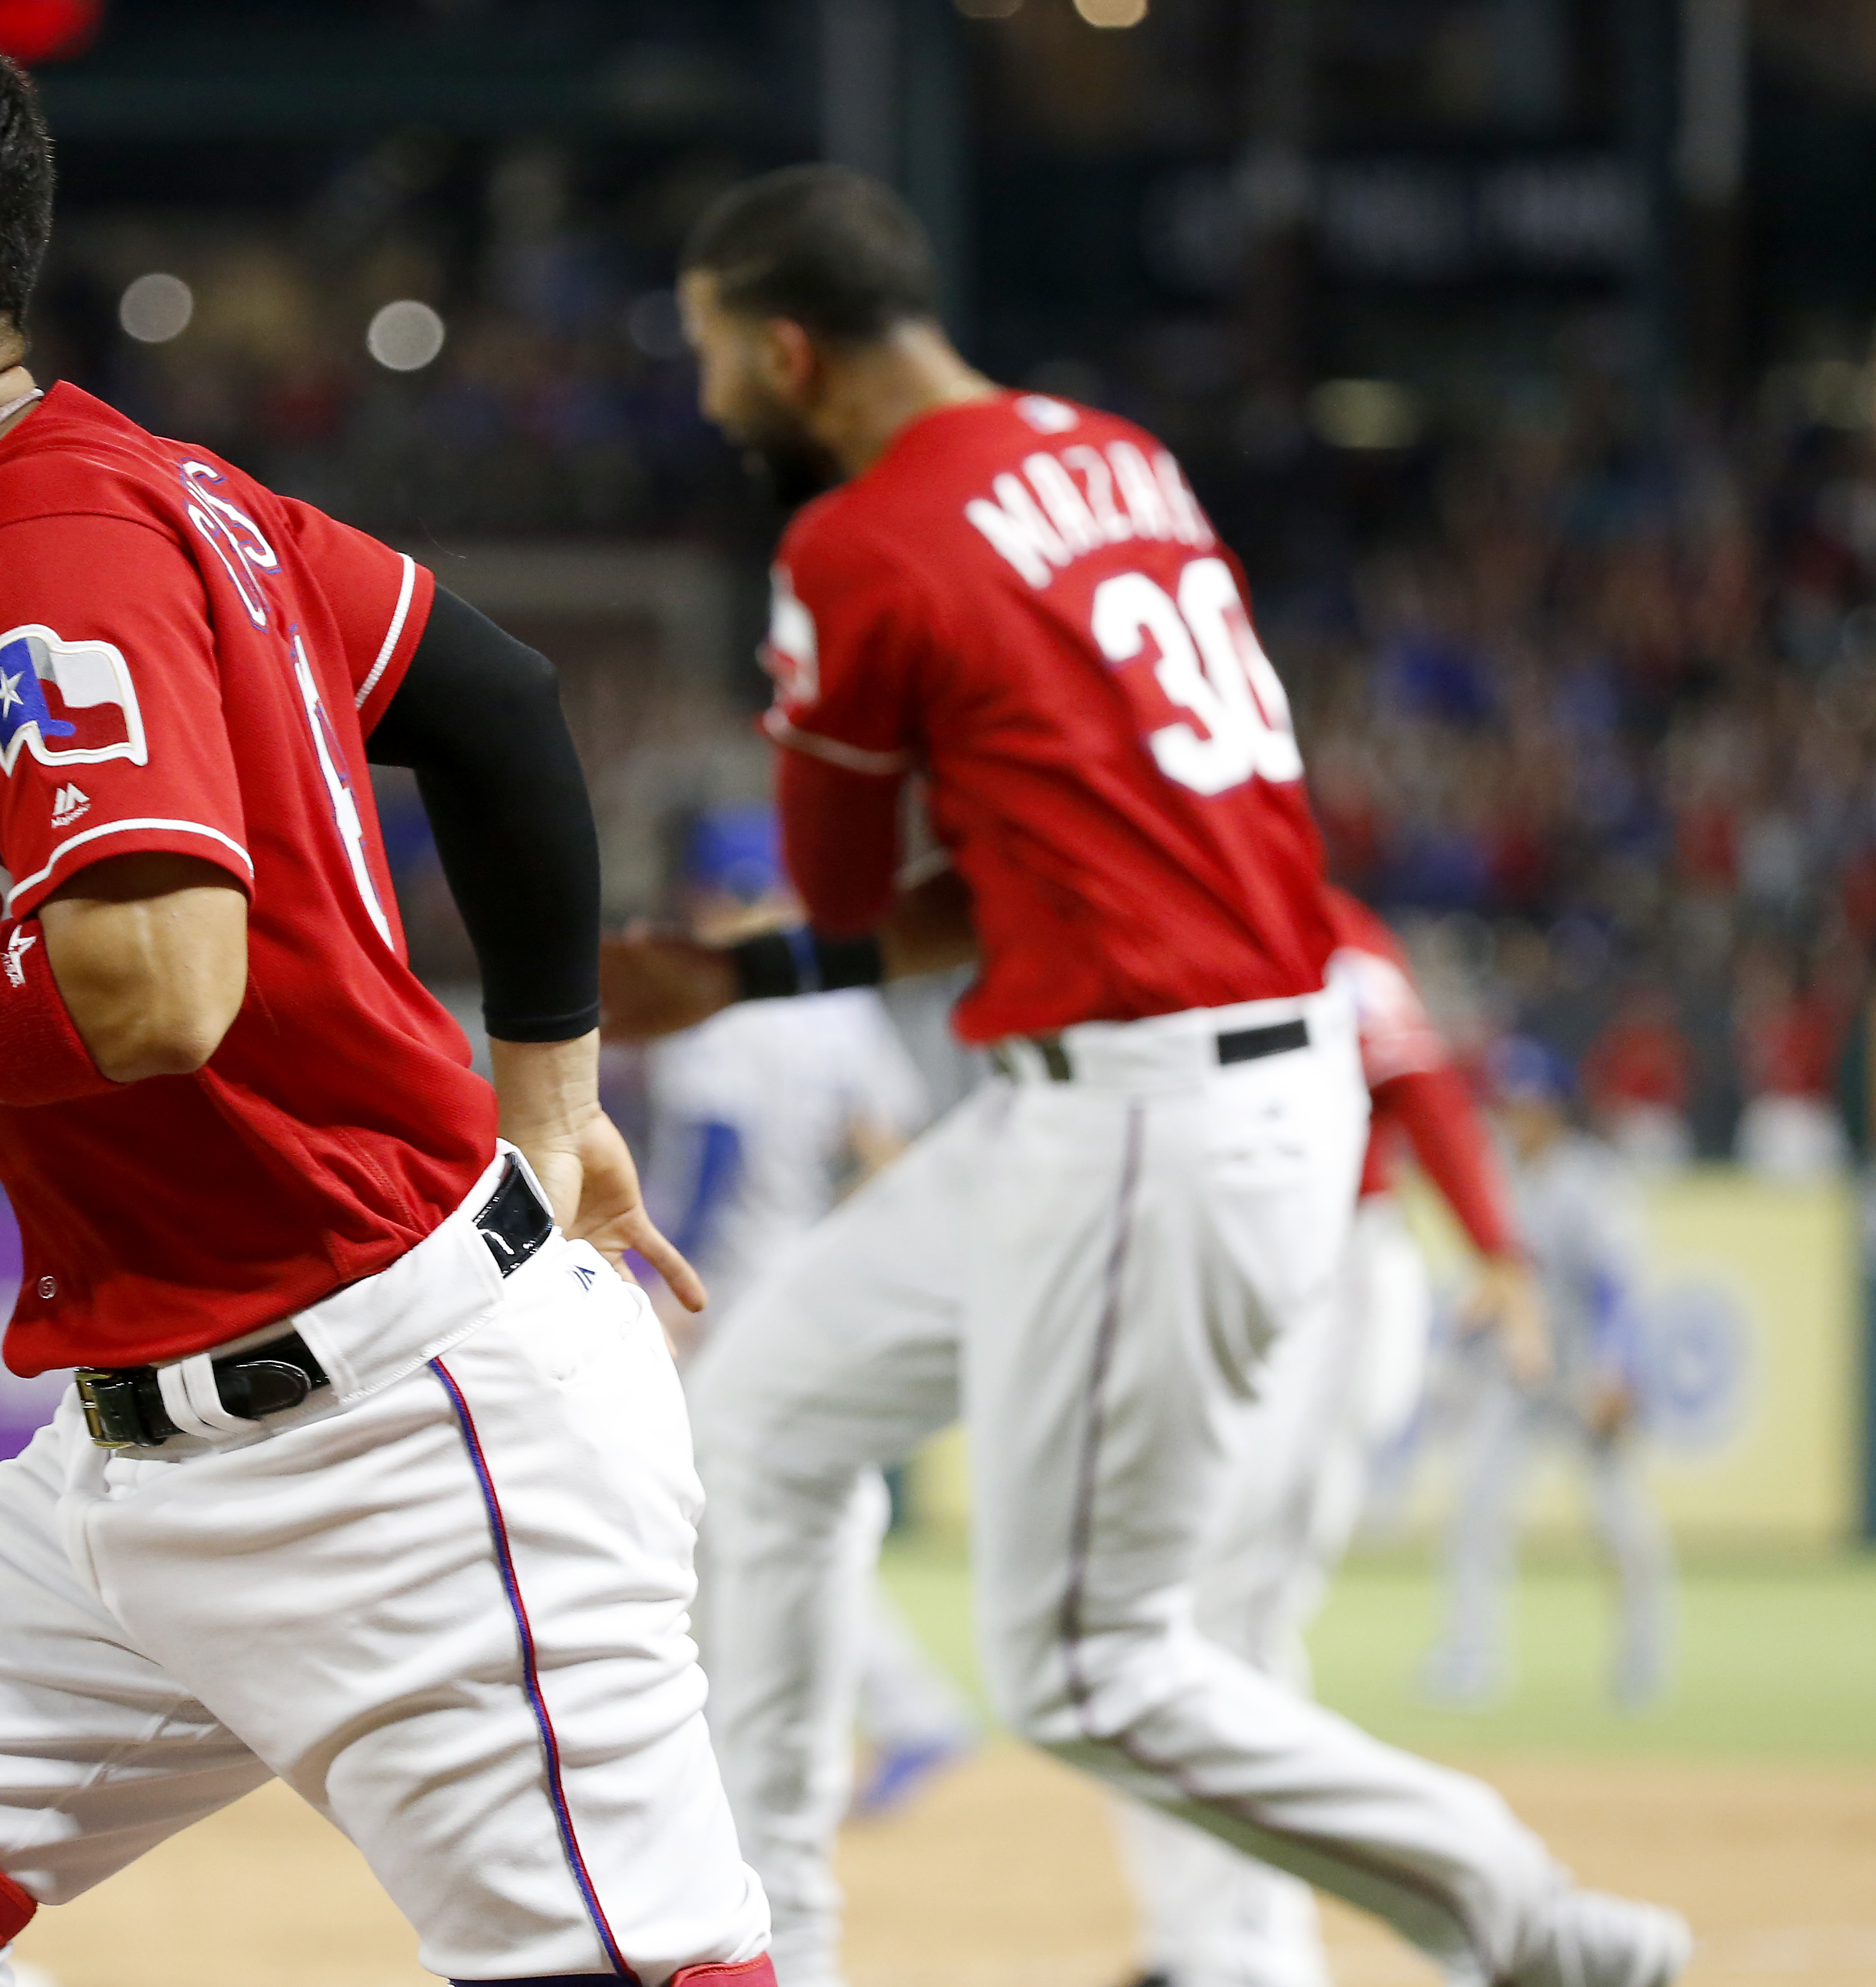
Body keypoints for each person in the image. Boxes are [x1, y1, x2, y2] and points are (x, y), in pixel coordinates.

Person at [0, 20, 770, 1987]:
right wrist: (549, 1098)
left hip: (405, 1434)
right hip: (135, 1467)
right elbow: (494, 702)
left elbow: (155, 984)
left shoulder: (44, 538)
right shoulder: (126, 498)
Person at [602, 163, 1688, 1987]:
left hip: (1151, 1106)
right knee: (765, 1427)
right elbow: (1047, 866)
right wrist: (745, 976)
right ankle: (756, 1945)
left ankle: (1528, 1922)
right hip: (1159, 1076)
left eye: (715, 355)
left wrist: (744, 954)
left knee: (1089, 1667)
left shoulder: (856, 543)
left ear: (788, 352)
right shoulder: (1113, 457)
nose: (708, 397)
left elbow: (861, 888)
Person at [1108, 886, 1550, 1987]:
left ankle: (1257, 1954)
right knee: (1147, 1626)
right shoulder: (1141, 907)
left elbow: (1420, 1087)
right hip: (1206, 1269)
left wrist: (1496, 1248)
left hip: (1332, 1273)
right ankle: (1195, 1940)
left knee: (1233, 1621)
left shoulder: (1323, 924)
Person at [642, 803, 977, 1825]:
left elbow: (709, 1163)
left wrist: (664, 1289)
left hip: (722, 1289)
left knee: (716, 1520)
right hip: (805, 1280)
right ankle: (884, 1710)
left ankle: (875, 1713)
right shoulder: (836, 1002)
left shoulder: (718, 1005)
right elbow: (887, 1144)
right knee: (761, 1515)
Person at [1422, 1038, 1675, 1714]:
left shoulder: (1593, 1181)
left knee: (1622, 1527)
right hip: (1519, 1374)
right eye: (1508, 1104)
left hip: (1585, 1378)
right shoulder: (1494, 1171)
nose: (1515, 1116)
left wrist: (1618, 1373)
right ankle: (1471, 1660)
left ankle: (1643, 1663)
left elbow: (1618, 1288)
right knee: (1476, 1514)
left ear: (1557, 1110)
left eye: (1527, 1105)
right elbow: (1485, 1279)